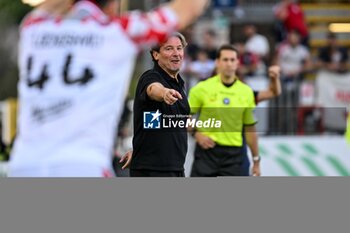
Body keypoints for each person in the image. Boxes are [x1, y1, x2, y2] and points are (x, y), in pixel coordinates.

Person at [8, 0, 210, 177]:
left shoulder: (34, 26)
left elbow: (49, 6)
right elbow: (189, 7)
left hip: (25, 164)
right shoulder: (120, 31)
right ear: (113, 4)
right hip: (83, 164)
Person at [121, 33, 189, 177]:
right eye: (169, 49)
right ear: (156, 55)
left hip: (176, 169)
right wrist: (164, 93)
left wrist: (140, 148)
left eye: (179, 48)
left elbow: (155, 124)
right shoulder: (150, 77)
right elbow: (153, 89)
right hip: (153, 171)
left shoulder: (180, 84)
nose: (176, 54)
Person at [189, 45, 260, 177]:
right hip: (207, 152)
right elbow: (183, 116)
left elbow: (250, 128)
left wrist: (256, 160)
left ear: (237, 63)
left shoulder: (246, 91)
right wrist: (196, 134)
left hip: (234, 156)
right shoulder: (201, 88)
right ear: (217, 62)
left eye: (232, 60)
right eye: (225, 60)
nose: (229, 64)